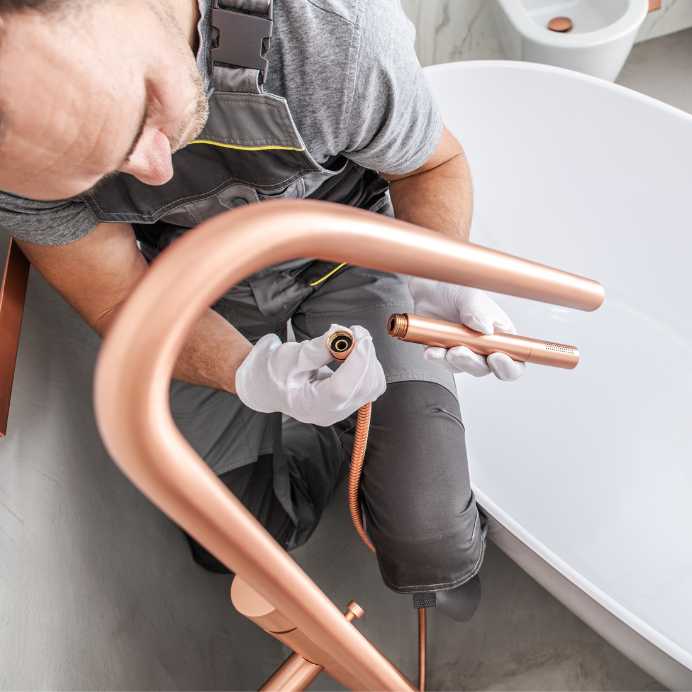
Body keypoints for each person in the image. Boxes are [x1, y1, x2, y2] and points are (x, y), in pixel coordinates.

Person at [0, 0, 525, 617]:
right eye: (101, 170)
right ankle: (335, 423)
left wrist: (436, 269)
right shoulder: (18, 165)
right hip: (200, 281)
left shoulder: (332, 34)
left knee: (430, 543)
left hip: (349, 246)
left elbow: (433, 165)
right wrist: (252, 373)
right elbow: (120, 299)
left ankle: (411, 491)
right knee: (233, 539)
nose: (155, 167)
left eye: (144, 111)